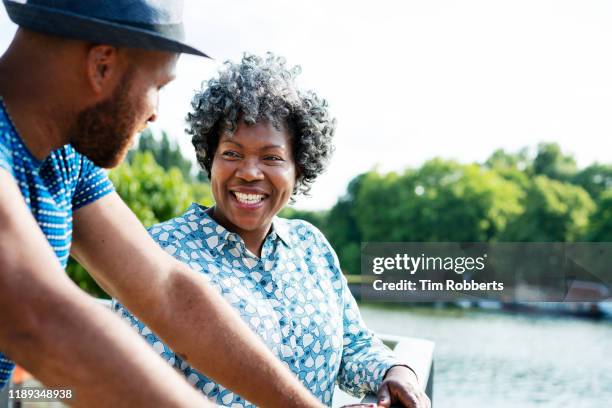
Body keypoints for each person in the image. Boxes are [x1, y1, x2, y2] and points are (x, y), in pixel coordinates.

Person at [0, 1, 324, 407]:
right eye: (158, 86)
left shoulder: (65, 160)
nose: (155, 115)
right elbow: (40, 319)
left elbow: (168, 291)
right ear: (102, 64)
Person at [114, 53, 431, 408]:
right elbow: (139, 393)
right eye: (232, 153)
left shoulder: (312, 247)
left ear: (299, 168)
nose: (249, 172)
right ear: (210, 159)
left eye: (272, 157)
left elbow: (353, 344)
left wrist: (397, 371)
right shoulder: (160, 252)